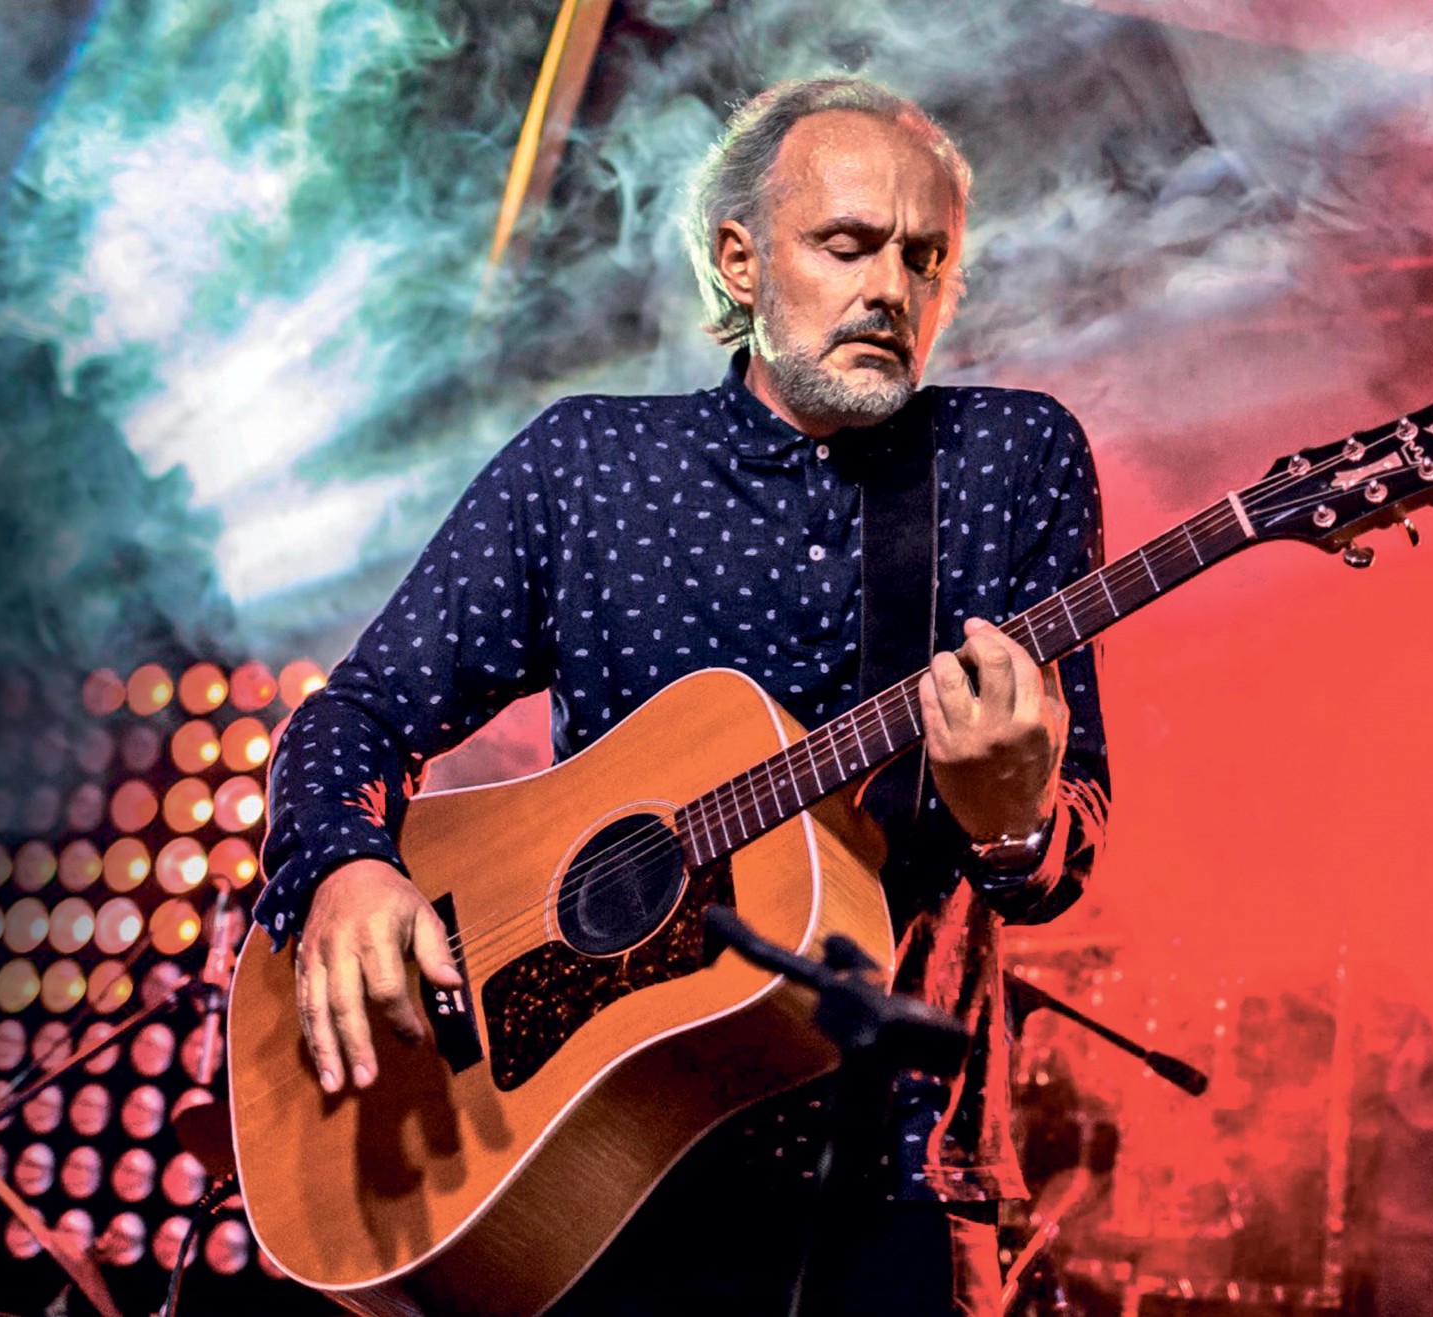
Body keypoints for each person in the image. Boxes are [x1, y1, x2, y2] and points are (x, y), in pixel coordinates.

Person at [253, 76, 1111, 1315]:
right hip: (585, 1176)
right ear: (739, 261)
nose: (891, 287)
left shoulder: (1007, 459)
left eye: (925, 258)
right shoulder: (588, 464)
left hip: (887, 1180)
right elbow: (360, 714)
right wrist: (341, 865)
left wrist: (1010, 819)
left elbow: (1060, 850)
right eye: (847, 245)